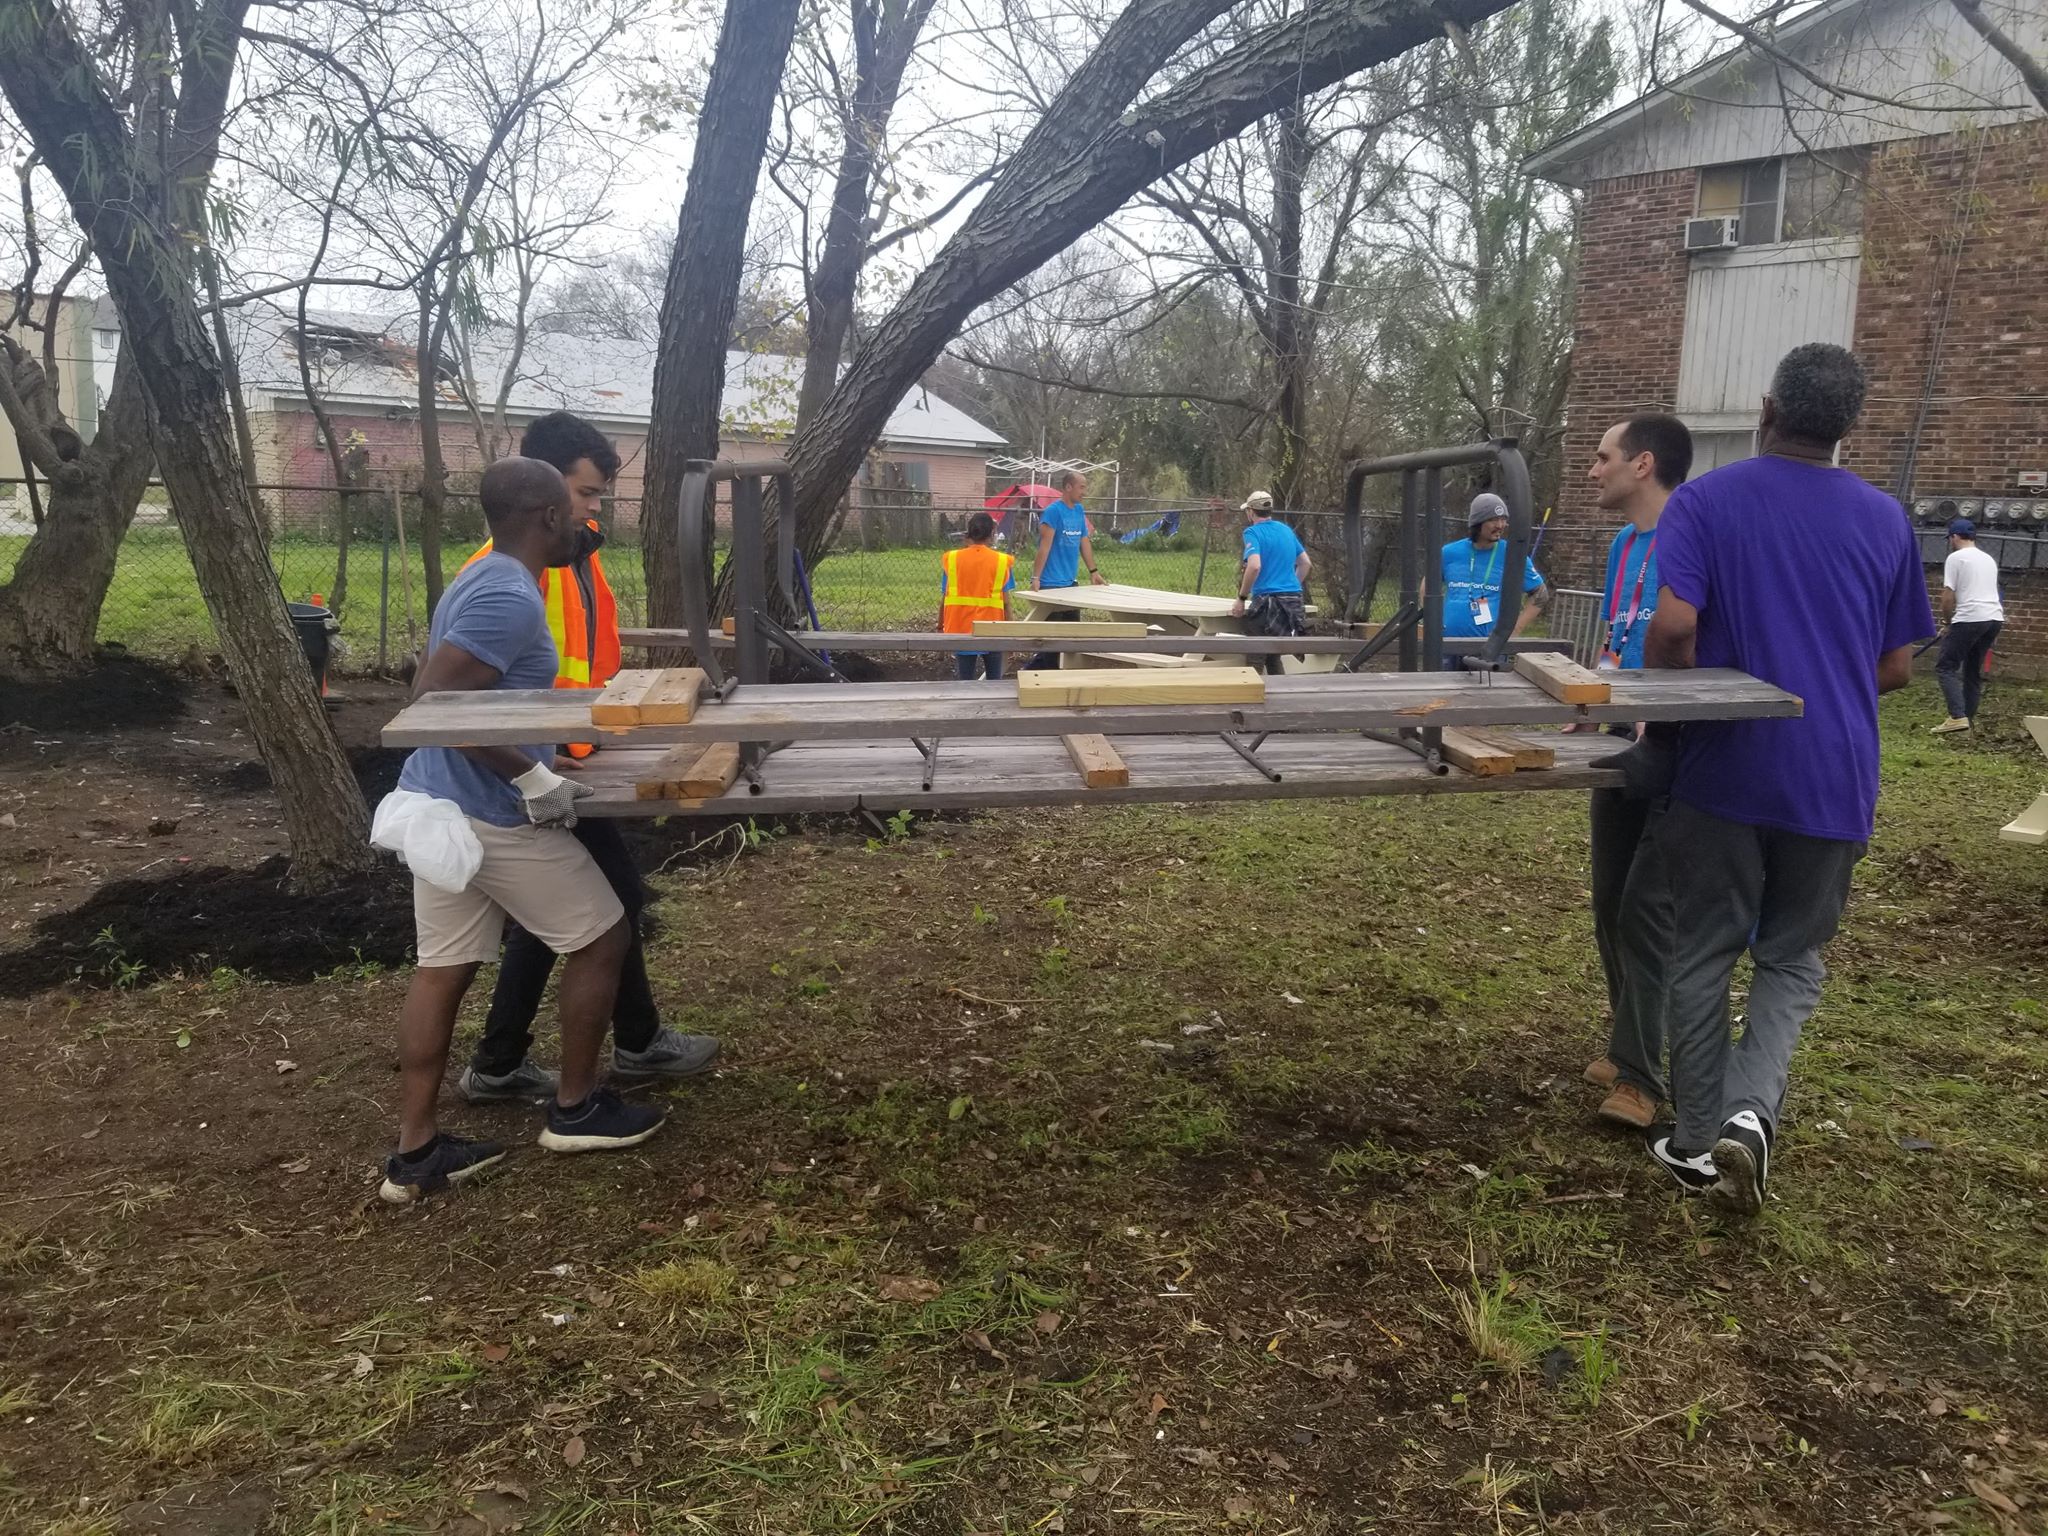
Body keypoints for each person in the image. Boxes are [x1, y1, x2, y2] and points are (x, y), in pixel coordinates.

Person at [1627, 343, 1933, 1212]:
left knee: (1704, 948)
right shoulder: (1884, 520)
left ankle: (1693, 1142)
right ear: (1851, 426)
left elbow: (1677, 627)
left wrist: (1669, 699)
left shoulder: (1708, 501)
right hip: (1834, 777)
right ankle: (1751, 1115)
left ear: (1766, 409)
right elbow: (1899, 668)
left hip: (1724, 767)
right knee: (1792, 957)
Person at [380, 457, 666, 1204]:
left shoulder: (483, 577)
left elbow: (478, 692)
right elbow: (433, 703)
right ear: (546, 518)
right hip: (486, 812)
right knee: (603, 936)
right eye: (573, 512)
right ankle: (575, 1110)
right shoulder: (508, 594)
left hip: (440, 805)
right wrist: (531, 778)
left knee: (442, 969)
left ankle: (415, 1153)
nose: (582, 522)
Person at [458, 412, 718, 1103]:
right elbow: (462, 697)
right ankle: (628, 1047)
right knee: (602, 905)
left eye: (601, 496)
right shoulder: (507, 575)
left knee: (585, 909)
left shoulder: (574, 560)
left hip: (572, 755)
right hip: (533, 772)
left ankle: (509, 1059)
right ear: (545, 492)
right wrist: (535, 763)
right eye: (588, 494)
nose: (596, 510)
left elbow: (585, 660)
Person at [1575, 414, 1692, 1131]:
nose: (1593, 469)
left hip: (1676, 744)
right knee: (1609, 896)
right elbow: (1622, 635)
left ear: (1643, 464)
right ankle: (1628, 1042)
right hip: (1620, 735)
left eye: (1602, 456)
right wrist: (1593, 692)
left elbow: (1696, 637)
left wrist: (1666, 710)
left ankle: (1646, 1079)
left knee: (1650, 909)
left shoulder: (1695, 538)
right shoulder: (1624, 543)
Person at [1437, 492, 1548, 657]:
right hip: (1447, 646)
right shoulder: (1449, 552)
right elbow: (1428, 584)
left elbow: (1541, 594)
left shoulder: (1512, 555)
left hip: (1490, 649)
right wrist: (1433, 619)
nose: (1500, 525)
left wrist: (1515, 629)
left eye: (1503, 520)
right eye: (1493, 520)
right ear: (1477, 522)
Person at [1025, 470, 1106, 669]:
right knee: (1051, 641)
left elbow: (1084, 541)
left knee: (1072, 637)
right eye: (1081, 487)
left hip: (1071, 583)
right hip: (1051, 583)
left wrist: (1093, 571)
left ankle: (1063, 678)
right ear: (1068, 487)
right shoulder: (1053, 512)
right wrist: (1036, 577)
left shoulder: (1078, 511)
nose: (1084, 492)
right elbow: (1044, 546)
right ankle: (1032, 673)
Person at [1931, 517, 2003, 735]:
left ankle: (1957, 716)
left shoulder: (1956, 558)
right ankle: (1967, 724)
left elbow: (1948, 595)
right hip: (1994, 618)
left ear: (1954, 537)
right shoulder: (1988, 558)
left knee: (1945, 667)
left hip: (1970, 617)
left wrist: (1946, 621)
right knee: (1972, 671)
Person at [1229, 490, 1310, 676]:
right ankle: (1282, 696)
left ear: (1250, 511)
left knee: (1256, 654)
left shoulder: (1252, 532)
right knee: (1273, 655)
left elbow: (1254, 566)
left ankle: (1251, 695)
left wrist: (1241, 598)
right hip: (1292, 603)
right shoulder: (1286, 530)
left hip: (1268, 604)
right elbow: (1305, 563)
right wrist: (1288, 587)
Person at [940, 512, 1017, 679]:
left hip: (960, 628)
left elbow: (944, 597)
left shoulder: (952, 559)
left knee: (964, 681)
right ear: (991, 534)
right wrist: (1010, 635)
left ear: (969, 533)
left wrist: (940, 627)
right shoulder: (1001, 562)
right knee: (994, 681)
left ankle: (965, 705)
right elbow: (1006, 604)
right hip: (993, 629)